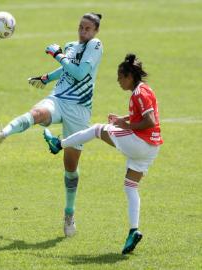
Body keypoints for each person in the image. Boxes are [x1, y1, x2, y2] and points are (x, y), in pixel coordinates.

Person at [0, 13, 103, 237]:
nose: (83, 32)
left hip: (79, 109)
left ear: (95, 31)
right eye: (81, 27)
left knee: (70, 168)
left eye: (87, 29)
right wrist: (46, 78)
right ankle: (3, 134)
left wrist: (58, 55)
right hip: (58, 99)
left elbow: (79, 73)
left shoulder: (96, 46)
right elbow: (66, 70)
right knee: (37, 112)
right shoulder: (71, 46)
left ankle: (69, 214)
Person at [43, 53, 163, 254]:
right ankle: (134, 231)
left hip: (141, 142)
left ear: (129, 76)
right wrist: (122, 119)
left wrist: (125, 123)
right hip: (151, 149)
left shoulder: (139, 94)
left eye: (120, 77)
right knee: (130, 187)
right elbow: (144, 116)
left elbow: (149, 121)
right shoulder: (145, 90)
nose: (118, 81)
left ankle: (59, 144)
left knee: (97, 129)